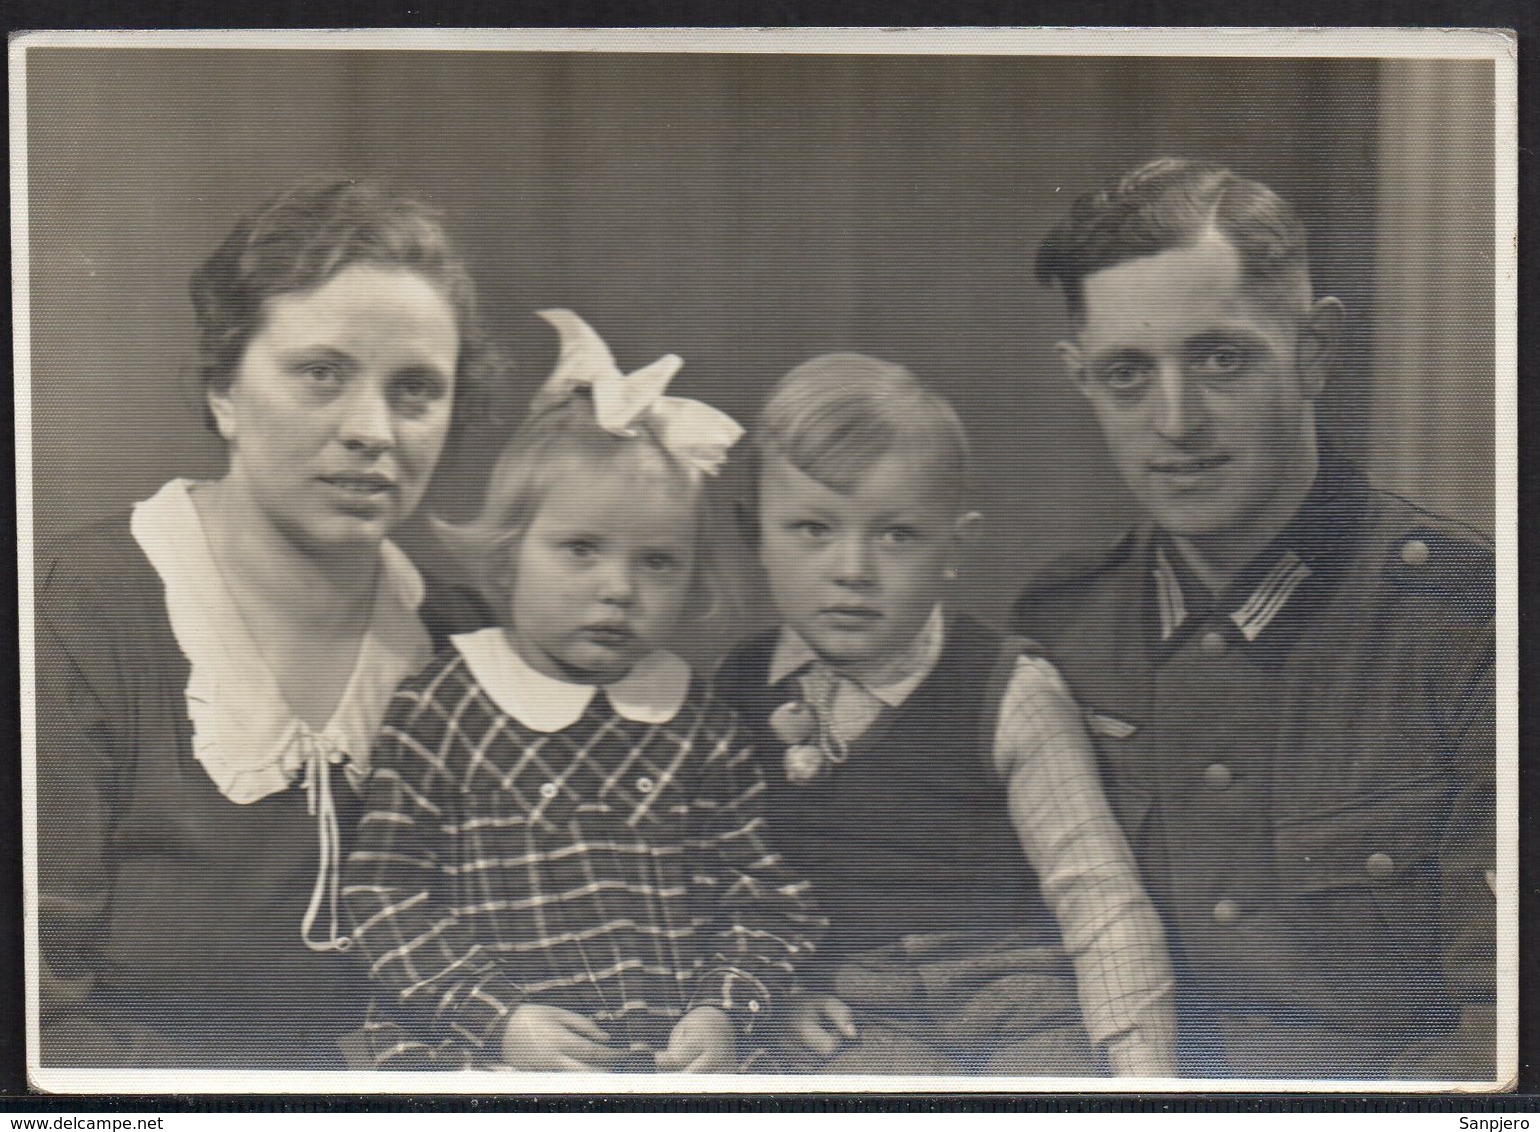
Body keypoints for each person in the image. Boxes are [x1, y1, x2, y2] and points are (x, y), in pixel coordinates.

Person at [1010, 157, 1496, 1079]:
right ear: (1080, 381)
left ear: (1316, 350)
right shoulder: (1062, 631)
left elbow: (1500, 1041)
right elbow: (1001, 960)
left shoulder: (1467, 628)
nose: (1177, 420)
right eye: (1126, 373)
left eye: (1220, 357)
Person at [34, 178, 498, 1069]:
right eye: (321, 374)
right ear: (223, 390)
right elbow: (31, 1039)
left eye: (415, 390)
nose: (372, 429)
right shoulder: (74, 619)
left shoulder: (457, 636)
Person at [341, 310, 823, 1072]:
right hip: (493, 1052)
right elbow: (383, 897)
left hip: (668, 1066)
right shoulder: (444, 706)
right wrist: (496, 1017)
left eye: (657, 562)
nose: (618, 590)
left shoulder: (700, 724)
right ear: (507, 557)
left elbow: (762, 900)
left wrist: (722, 1009)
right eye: (581, 550)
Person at [714, 353, 1177, 1077]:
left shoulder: (1011, 691)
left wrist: (1144, 1073)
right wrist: (777, 996)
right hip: (856, 1016)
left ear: (954, 547)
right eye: (812, 528)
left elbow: (1097, 893)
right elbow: (712, 884)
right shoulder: (735, 692)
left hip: (1022, 997)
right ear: (755, 537)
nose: (853, 568)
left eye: (896, 534)